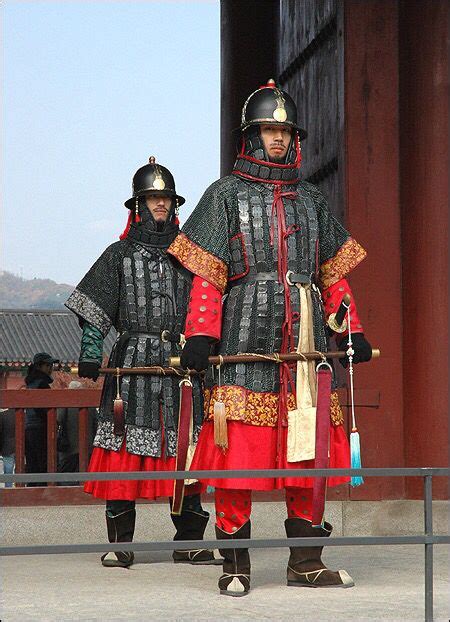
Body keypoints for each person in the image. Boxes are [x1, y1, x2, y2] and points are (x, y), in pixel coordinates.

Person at [168, 80, 372, 596]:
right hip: (243, 342)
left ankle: (305, 561)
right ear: (251, 135)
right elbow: (208, 276)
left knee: (308, 455)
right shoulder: (223, 195)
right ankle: (235, 564)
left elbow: (334, 276)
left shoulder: (312, 199)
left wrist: (354, 330)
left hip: (303, 352)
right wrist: (199, 334)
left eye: (284, 130)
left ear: (293, 137)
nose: (277, 138)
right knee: (238, 454)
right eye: (268, 129)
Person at [66, 157, 220, 568]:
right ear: (138, 203)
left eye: (166, 198)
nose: (160, 205)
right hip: (131, 366)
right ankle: (121, 544)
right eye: (153, 197)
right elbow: (95, 308)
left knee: (185, 449)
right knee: (121, 451)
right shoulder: (118, 255)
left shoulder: (191, 255)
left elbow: (209, 305)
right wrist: (91, 351)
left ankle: (189, 541)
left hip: (181, 366)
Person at [24, 352, 59, 486]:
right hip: (40, 427)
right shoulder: (42, 384)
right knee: (44, 461)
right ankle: (43, 489)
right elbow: (43, 410)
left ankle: (32, 488)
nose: (50, 368)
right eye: (48, 365)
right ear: (40, 366)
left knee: (32, 462)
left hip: (28, 427)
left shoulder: (30, 383)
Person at [57, 380, 97, 485]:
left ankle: (67, 494)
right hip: (87, 445)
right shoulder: (90, 406)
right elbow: (95, 424)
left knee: (67, 475)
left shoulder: (65, 404)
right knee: (86, 473)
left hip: (69, 447)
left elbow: (58, 419)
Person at [0, 408, 16, 488]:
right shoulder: (23, 415)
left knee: (8, 470)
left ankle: (8, 489)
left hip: (7, 447)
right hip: (21, 445)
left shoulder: (3, 415)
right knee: (21, 469)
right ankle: (20, 487)